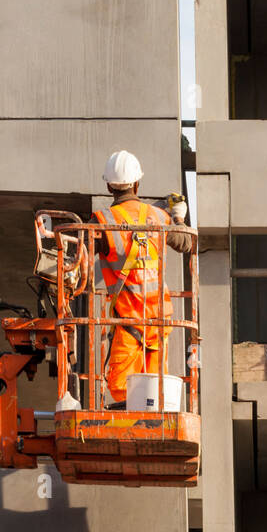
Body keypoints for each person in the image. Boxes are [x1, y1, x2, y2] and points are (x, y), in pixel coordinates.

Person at [92, 150, 193, 408]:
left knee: (121, 390)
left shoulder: (102, 221)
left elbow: (79, 258)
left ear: (108, 186)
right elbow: (185, 242)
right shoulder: (158, 217)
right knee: (153, 392)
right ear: (137, 183)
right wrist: (178, 218)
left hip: (129, 321)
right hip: (160, 320)